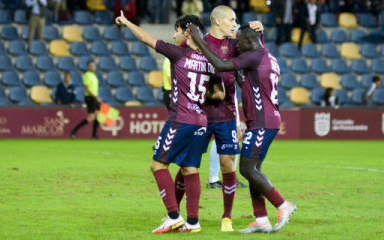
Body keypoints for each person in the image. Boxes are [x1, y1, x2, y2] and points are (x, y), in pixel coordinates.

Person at [188, 23, 296, 234]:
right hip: (266, 120)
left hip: (262, 122)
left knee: (246, 169)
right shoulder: (268, 56)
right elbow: (247, 80)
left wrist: (200, 40)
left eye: (239, 43)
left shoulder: (254, 55)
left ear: (247, 42)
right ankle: (261, 219)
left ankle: (283, 205)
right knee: (254, 170)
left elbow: (221, 64)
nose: (237, 47)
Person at [116, 12, 217, 233]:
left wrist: (126, 22)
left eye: (177, 31)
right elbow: (218, 92)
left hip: (180, 119)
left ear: (187, 33)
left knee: (157, 165)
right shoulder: (210, 60)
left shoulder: (179, 54)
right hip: (201, 121)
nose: (174, 36)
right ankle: (193, 221)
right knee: (190, 168)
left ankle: (173, 215)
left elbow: (147, 39)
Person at [173, 5, 263, 232]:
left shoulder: (234, 45)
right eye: (232, 20)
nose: (235, 24)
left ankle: (227, 218)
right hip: (199, 114)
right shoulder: (196, 41)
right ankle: (173, 212)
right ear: (218, 21)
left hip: (226, 115)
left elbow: (257, 54)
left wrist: (260, 34)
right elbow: (178, 58)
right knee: (187, 165)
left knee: (227, 164)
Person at [70, 61, 101, 139]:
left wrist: (97, 97)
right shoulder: (87, 75)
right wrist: (96, 97)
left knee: (98, 116)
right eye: (90, 66)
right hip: (90, 98)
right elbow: (87, 89)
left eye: (93, 66)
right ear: (88, 67)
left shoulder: (94, 76)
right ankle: (74, 130)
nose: (92, 67)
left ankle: (94, 135)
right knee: (91, 117)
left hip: (94, 98)